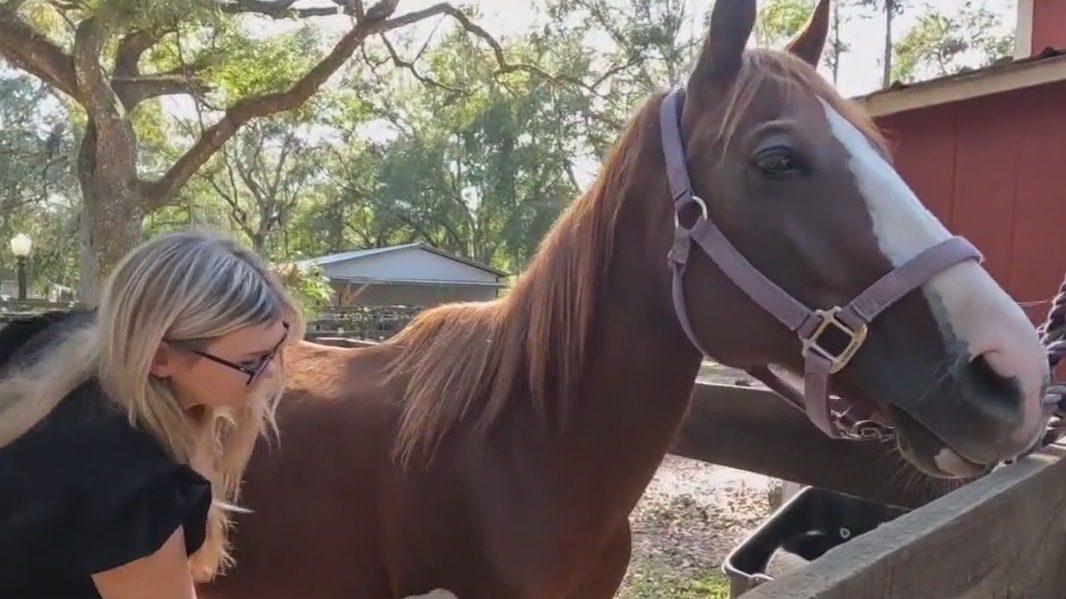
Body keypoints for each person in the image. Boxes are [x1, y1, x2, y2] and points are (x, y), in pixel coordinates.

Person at [0, 228, 303, 599]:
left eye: (275, 351)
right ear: (160, 357)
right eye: (252, 362)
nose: (271, 373)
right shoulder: (128, 487)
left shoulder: (49, 345)